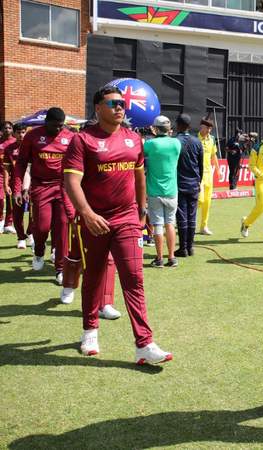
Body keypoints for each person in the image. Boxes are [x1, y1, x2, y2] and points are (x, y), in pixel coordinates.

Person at [63, 85, 172, 364]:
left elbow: (139, 177)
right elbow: (71, 182)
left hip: (127, 219)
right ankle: (90, 331)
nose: (120, 107)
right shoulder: (82, 140)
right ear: (98, 108)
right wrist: (87, 214)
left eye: (122, 103)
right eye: (113, 103)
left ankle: (144, 344)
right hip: (95, 221)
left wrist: (142, 211)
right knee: (94, 276)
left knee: (134, 278)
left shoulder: (133, 139)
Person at [13, 108, 74, 283]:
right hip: (41, 187)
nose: (58, 129)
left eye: (61, 125)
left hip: (63, 187)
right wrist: (18, 189)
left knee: (62, 227)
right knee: (41, 227)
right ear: (46, 122)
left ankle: (60, 269)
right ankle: (39, 251)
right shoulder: (32, 136)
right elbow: (21, 163)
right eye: (55, 125)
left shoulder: (70, 137)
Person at [144, 115, 181, 268]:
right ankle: (171, 257)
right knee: (170, 224)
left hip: (154, 191)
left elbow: (141, 153)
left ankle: (159, 258)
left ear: (155, 129)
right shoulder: (176, 143)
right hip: (172, 190)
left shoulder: (150, 144)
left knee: (158, 225)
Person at [174, 113, 203, 257]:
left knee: (181, 217)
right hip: (194, 184)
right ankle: (190, 247)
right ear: (189, 126)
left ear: (177, 125)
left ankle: (183, 248)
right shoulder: (197, 142)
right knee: (192, 216)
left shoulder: (174, 142)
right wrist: (199, 181)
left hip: (179, 183)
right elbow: (201, 165)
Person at [3, 124, 31, 248]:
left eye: (23, 132)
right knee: (17, 212)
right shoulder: (9, 149)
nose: (21, 135)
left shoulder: (32, 146)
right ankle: (21, 238)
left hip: (32, 184)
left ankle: (30, 233)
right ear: (14, 133)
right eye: (19, 132)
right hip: (15, 184)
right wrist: (5, 184)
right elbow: (6, 169)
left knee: (34, 212)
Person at [197, 116, 219, 235]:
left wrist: (218, 170)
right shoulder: (195, 139)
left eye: (210, 129)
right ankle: (185, 220)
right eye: (207, 128)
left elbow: (213, 155)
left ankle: (203, 227)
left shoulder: (212, 139)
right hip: (197, 174)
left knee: (207, 202)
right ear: (201, 127)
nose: (209, 131)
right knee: (199, 200)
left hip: (208, 174)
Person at [0, 120, 15, 233]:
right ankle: (0, 220)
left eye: (9, 128)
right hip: (0, 174)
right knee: (0, 199)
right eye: (5, 128)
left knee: (12, 200)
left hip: (13, 175)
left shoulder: (15, 142)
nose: (7, 130)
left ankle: (8, 224)